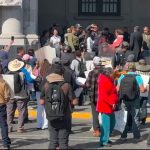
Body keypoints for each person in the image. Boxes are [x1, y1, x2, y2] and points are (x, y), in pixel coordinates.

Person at [40, 64, 78, 149]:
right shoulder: (66, 85)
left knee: (53, 141)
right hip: (65, 116)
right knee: (63, 142)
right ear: (62, 74)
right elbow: (74, 102)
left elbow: (41, 102)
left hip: (51, 116)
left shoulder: (46, 85)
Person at [117, 63, 146, 142]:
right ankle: (136, 137)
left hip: (124, 100)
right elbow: (142, 90)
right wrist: (146, 88)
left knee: (124, 118)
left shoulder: (122, 76)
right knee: (135, 118)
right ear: (135, 69)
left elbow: (117, 89)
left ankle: (123, 136)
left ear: (128, 69)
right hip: (135, 100)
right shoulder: (138, 77)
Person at [7, 59, 35, 133]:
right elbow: (30, 80)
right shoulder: (23, 72)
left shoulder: (8, 72)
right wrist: (24, 70)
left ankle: (9, 127)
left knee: (9, 111)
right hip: (21, 96)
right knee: (22, 112)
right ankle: (20, 128)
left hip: (11, 95)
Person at [97, 67, 118, 147]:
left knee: (112, 123)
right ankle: (104, 140)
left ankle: (106, 138)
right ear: (108, 74)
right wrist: (112, 102)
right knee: (106, 125)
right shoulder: (104, 81)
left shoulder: (108, 79)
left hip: (109, 105)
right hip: (105, 105)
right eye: (112, 73)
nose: (113, 74)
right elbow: (103, 95)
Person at [86, 56, 104, 137]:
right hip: (103, 97)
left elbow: (87, 84)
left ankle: (97, 131)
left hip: (94, 97)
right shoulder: (105, 72)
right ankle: (105, 130)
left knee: (95, 114)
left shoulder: (91, 73)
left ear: (94, 64)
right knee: (104, 114)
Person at [135, 59, 150, 124]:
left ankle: (137, 118)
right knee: (144, 106)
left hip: (138, 91)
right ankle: (143, 119)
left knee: (137, 106)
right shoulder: (149, 72)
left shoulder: (137, 72)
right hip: (146, 92)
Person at [0, 75, 11, 149]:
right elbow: (7, 96)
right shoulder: (3, 82)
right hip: (1, 104)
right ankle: (6, 143)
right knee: (3, 124)